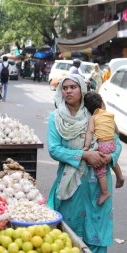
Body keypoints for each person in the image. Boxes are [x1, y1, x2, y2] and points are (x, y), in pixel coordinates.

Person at [47, 74, 122, 253]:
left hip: (98, 183)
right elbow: (54, 149)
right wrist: (84, 155)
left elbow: (116, 142)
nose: (68, 91)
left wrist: (109, 158)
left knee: (96, 228)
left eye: (73, 87)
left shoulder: (94, 113)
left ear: (82, 89)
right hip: (72, 183)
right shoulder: (56, 118)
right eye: (65, 88)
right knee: (67, 233)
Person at [83, 92, 124, 205]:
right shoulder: (109, 115)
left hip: (102, 145)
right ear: (102, 104)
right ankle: (120, 176)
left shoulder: (93, 117)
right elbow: (117, 131)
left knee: (100, 168)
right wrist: (114, 136)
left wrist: (86, 147)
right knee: (111, 159)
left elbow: (90, 131)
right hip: (112, 143)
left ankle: (105, 192)